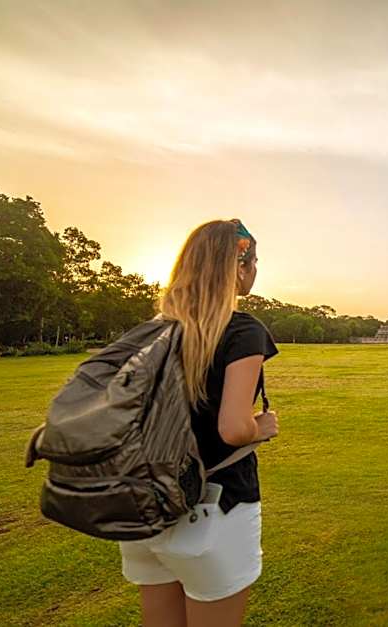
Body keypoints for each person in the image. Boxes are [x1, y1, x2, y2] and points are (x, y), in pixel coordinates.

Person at [118, 219, 280, 627]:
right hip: (213, 506)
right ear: (239, 268)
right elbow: (233, 429)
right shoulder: (242, 330)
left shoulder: (152, 332)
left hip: (145, 505)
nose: (257, 270)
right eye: (254, 260)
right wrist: (260, 428)